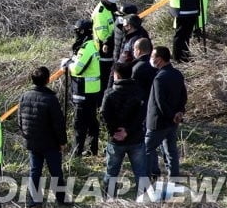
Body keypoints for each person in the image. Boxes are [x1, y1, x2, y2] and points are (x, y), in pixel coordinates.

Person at [18, 66, 68, 207]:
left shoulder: (24, 96)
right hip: (50, 143)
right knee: (55, 171)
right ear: (47, 80)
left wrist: (26, 135)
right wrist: (62, 141)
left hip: (32, 142)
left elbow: (20, 120)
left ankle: (35, 200)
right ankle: (61, 199)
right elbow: (58, 124)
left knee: (34, 171)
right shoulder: (51, 99)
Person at [101, 61, 147, 197]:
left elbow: (104, 115)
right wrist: (128, 131)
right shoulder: (139, 91)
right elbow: (141, 116)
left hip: (115, 140)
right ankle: (144, 200)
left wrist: (114, 131)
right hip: (136, 138)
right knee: (141, 173)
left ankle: (109, 201)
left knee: (111, 172)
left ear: (117, 75)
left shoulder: (109, 93)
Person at [145, 46, 188, 181]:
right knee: (171, 151)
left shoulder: (159, 78)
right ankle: (174, 177)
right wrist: (179, 113)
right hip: (173, 121)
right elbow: (183, 96)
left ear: (159, 59)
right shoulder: (177, 74)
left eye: (152, 57)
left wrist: (171, 115)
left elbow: (159, 103)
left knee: (146, 149)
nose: (151, 59)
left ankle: (149, 176)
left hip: (158, 122)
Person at [63, 19, 101, 156]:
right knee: (91, 121)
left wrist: (68, 65)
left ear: (83, 31)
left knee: (79, 124)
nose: (76, 33)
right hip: (91, 90)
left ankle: (76, 152)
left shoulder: (86, 48)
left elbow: (78, 69)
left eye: (77, 30)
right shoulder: (91, 44)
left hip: (84, 92)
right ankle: (92, 149)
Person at [92, 0, 121, 94]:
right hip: (105, 52)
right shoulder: (100, 13)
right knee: (105, 80)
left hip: (114, 47)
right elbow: (103, 36)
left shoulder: (112, 7)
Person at [130, 38, 156, 106]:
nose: (133, 52)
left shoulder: (136, 67)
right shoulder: (155, 65)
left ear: (138, 51)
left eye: (134, 49)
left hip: (141, 103)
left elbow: (133, 88)